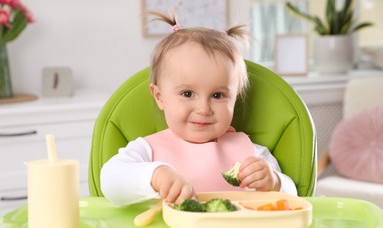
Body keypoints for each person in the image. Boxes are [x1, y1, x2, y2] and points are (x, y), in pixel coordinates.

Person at [101, 11, 297, 206]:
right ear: (159, 97)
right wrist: (155, 175)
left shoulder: (250, 152)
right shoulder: (147, 150)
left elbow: (293, 197)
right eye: (187, 94)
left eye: (217, 95)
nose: (203, 109)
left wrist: (274, 182)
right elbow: (110, 181)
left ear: (234, 97)